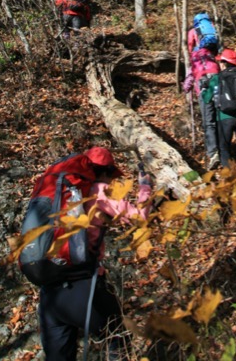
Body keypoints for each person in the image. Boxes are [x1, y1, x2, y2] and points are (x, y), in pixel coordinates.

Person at [38, 147, 153, 361]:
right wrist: (145, 186)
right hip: (85, 286)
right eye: (111, 175)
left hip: (49, 293)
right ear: (106, 172)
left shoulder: (62, 191)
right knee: (117, 338)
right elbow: (139, 217)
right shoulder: (99, 190)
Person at [204, 49, 236, 172]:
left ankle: (229, 175)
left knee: (223, 147)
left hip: (224, 116)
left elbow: (207, 99)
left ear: (224, 63)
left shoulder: (217, 78)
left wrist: (205, 90)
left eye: (221, 61)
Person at [182, 47, 220, 169]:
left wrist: (186, 88)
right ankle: (224, 149)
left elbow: (189, 79)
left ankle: (213, 153)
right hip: (218, 91)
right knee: (218, 120)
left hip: (204, 93)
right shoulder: (212, 58)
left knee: (209, 123)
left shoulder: (195, 60)